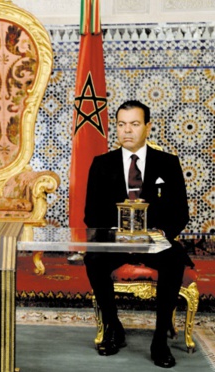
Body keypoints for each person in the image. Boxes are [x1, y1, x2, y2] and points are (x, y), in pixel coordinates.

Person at [83, 100, 191, 368]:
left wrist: (160, 234)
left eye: (134, 124)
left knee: (175, 259)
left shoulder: (168, 163)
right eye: (121, 125)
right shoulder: (101, 164)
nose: (127, 131)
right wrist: (116, 236)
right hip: (115, 241)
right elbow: (91, 215)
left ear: (147, 127)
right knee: (93, 259)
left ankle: (159, 341)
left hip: (155, 242)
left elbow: (181, 213)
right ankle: (113, 327)